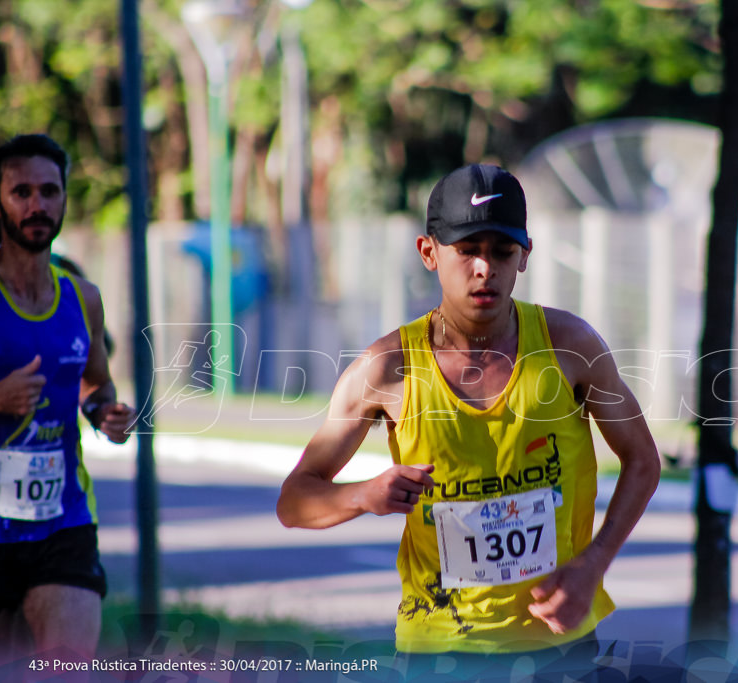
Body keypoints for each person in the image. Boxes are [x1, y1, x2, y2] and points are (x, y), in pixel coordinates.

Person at [277, 164, 660, 663]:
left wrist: (593, 565)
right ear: (429, 253)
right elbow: (294, 500)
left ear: (524, 255)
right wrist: (365, 495)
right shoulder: (388, 368)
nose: (485, 269)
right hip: (439, 651)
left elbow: (643, 461)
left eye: (502, 252)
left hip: (560, 648)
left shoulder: (570, 347)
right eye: (468, 251)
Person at [0, 134, 135, 660]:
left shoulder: (83, 298)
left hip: (63, 522)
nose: (37, 205)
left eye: (49, 191)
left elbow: (95, 382)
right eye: (21, 192)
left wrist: (105, 412)